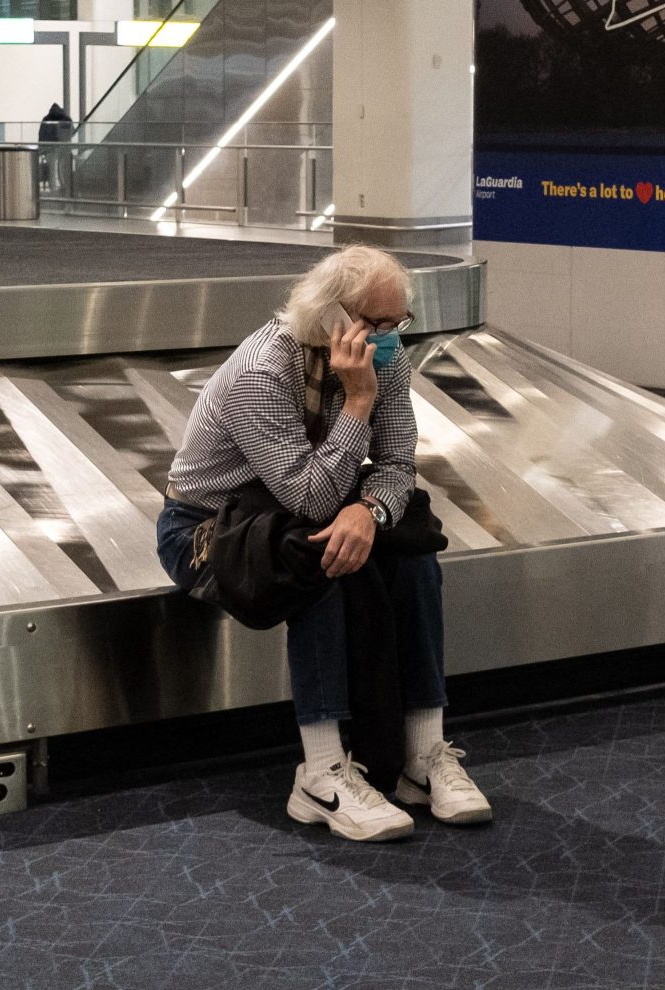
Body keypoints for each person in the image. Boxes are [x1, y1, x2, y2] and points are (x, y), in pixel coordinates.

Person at [156, 245, 492, 843]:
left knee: (412, 543)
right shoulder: (263, 372)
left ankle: (423, 755)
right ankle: (320, 771)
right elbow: (307, 500)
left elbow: (395, 464)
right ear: (332, 315)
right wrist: (358, 400)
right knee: (316, 552)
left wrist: (369, 509)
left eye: (398, 324)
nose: (390, 338)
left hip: (307, 508)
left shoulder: (384, 360)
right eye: (377, 324)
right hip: (208, 532)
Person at [37, 102, 71, 192]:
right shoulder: (66, 119)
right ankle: (64, 188)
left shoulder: (46, 119)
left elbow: (41, 135)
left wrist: (41, 149)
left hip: (49, 149)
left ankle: (53, 189)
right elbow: (71, 133)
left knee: (52, 171)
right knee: (62, 170)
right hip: (63, 148)